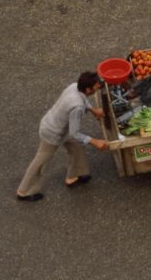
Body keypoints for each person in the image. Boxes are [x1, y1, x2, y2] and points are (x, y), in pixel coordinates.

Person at [16, 72, 109, 202]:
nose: (98, 87)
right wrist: (95, 141)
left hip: (59, 124)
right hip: (53, 132)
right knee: (41, 161)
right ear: (88, 89)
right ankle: (24, 191)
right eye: (96, 86)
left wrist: (93, 109)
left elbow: (82, 99)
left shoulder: (75, 86)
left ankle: (74, 175)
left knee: (77, 147)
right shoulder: (77, 108)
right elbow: (74, 133)